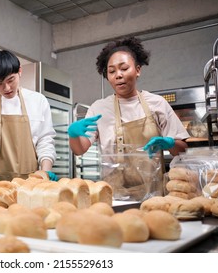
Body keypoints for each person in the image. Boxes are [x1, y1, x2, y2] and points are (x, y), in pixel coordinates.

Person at [68, 37, 190, 199]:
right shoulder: (99, 108)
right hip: (113, 195)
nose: (118, 75)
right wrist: (73, 135)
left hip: (154, 195)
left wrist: (170, 143)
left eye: (124, 68)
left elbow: (182, 150)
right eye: (111, 71)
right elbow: (79, 149)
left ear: (138, 70)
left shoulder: (157, 103)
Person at [0, 50, 57, 193]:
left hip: (31, 188)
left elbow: (45, 140)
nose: (6, 88)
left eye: (10, 80)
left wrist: (46, 170)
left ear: (19, 71)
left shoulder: (38, 101)